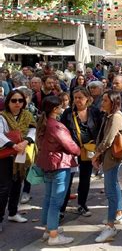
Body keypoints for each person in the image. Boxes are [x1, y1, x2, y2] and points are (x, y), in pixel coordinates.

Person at [36, 96, 81, 245]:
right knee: (56, 201)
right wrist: (78, 150)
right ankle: (53, 236)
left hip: (48, 164)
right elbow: (70, 146)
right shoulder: (56, 126)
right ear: (55, 109)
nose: (62, 108)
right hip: (59, 164)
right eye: (60, 106)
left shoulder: (43, 123)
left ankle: (48, 230)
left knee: (48, 199)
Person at [60, 87, 102, 218]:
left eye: (80, 98)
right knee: (67, 179)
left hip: (89, 150)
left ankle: (82, 204)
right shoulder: (68, 113)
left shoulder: (94, 112)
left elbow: (100, 129)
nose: (77, 100)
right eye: (75, 98)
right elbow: (62, 131)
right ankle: (61, 208)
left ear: (87, 99)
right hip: (71, 151)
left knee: (85, 178)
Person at [92, 91, 122, 243]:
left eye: (105, 100)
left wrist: (96, 154)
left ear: (113, 102)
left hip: (111, 158)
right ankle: (118, 215)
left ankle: (110, 226)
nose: (102, 103)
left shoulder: (116, 117)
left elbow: (108, 140)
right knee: (114, 186)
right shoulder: (110, 116)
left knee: (110, 192)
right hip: (109, 157)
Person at [0, 90, 36, 231]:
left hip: (21, 154)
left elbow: (33, 129)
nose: (17, 103)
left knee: (17, 183)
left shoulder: (27, 115)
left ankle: (13, 213)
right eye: (13, 100)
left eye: (20, 100)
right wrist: (13, 145)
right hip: (5, 155)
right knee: (3, 188)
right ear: (8, 102)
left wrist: (25, 142)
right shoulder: (2, 117)